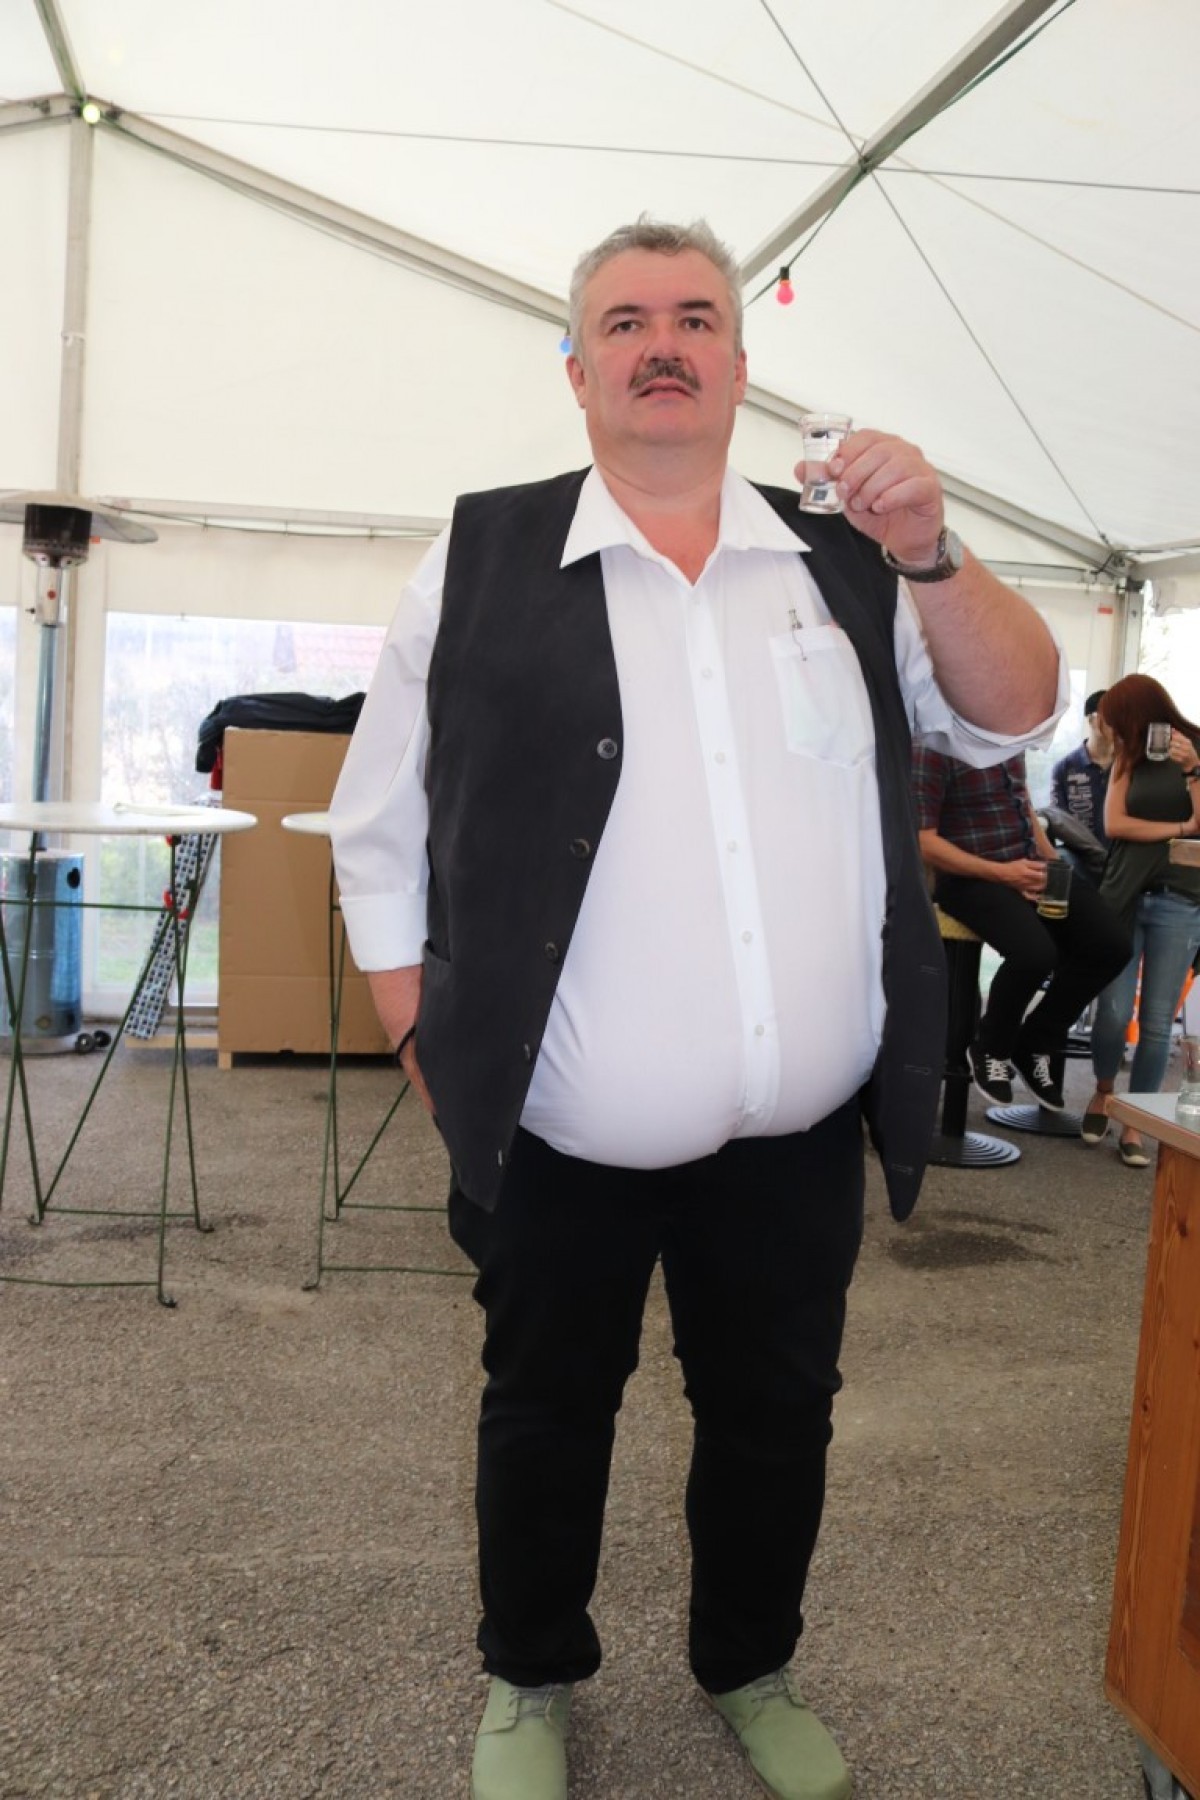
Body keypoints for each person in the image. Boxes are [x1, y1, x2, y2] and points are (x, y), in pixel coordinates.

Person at [328, 216, 1064, 1800]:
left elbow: (1014, 712)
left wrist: (937, 550)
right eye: (625, 321)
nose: (662, 344)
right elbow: (379, 827)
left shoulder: (850, 564)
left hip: (793, 1134)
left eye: (694, 318)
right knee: (546, 1413)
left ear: (738, 363)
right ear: (577, 367)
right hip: (561, 1129)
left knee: (776, 1415)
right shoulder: (480, 559)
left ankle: (751, 1663)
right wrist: (419, 1038)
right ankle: (530, 1676)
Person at [912, 746, 1130, 1111]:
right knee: (1035, 954)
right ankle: (990, 1047)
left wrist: (1052, 863)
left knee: (1111, 945)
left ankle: (1034, 1042)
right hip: (968, 877)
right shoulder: (934, 746)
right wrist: (1003, 874)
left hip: (1026, 864)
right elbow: (923, 842)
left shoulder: (1009, 740)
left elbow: (1024, 804)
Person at [1080, 674, 1200, 1166]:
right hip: (1124, 898)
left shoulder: (1195, 749)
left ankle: (1137, 1121)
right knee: (1111, 1012)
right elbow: (1115, 824)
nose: (1109, 729)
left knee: (1156, 1023)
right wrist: (1180, 828)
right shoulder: (1128, 756)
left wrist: (1193, 770)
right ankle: (1105, 1091)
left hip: (1181, 900)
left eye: (1114, 719)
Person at [1046, 687, 1113, 880]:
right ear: (1091, 719)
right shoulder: (1065, 768)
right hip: (1080, 858)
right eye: (1110, 716)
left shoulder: (1127, 766)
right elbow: (1059, 820)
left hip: (1122, 861)